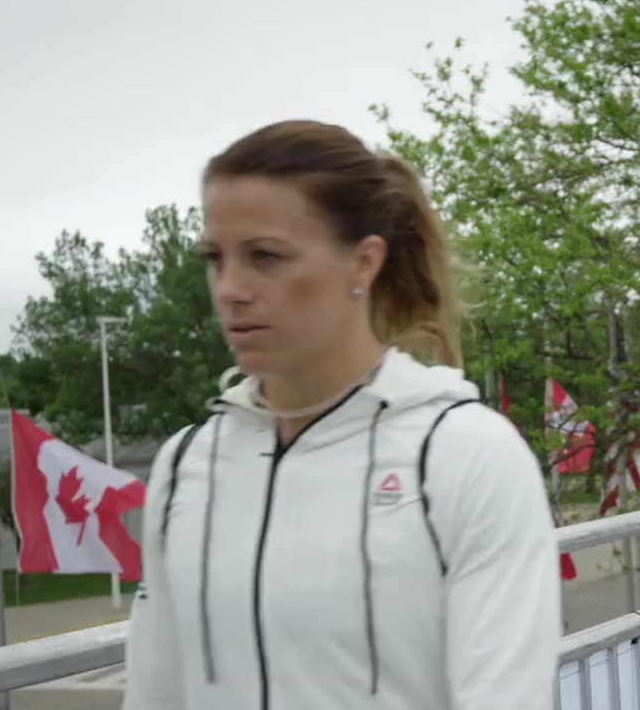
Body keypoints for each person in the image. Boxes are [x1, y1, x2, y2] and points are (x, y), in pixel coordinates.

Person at [122, 120, 562, 710]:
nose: (229, 289)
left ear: (363, 262)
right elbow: (155, 692)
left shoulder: (464, 453)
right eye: (216, 258)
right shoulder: (184, 466)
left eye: (265, 256)